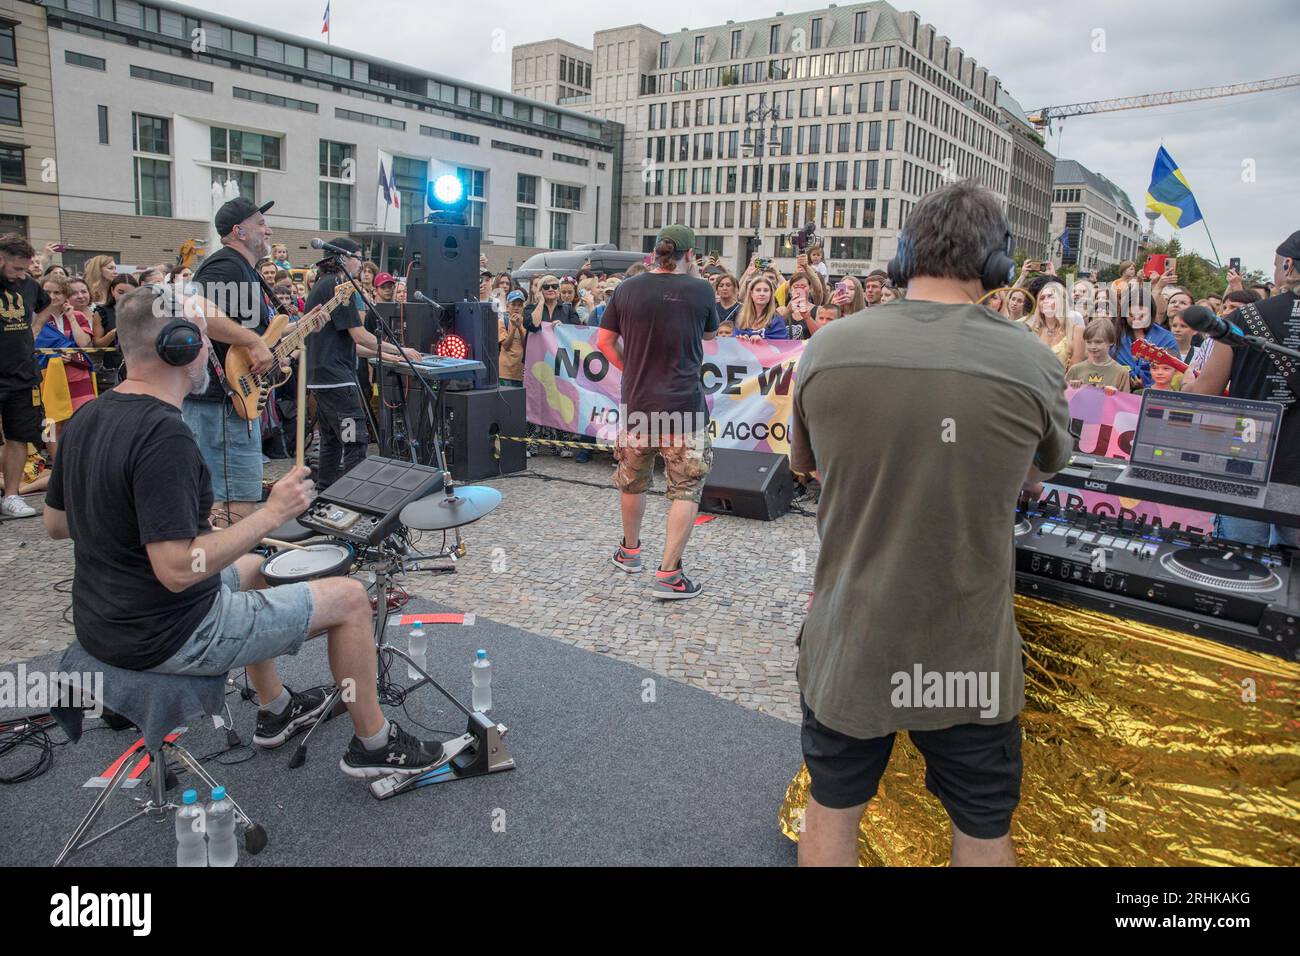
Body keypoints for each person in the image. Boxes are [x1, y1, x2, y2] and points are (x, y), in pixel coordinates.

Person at [42, 286, 444, 776]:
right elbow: (175, 570)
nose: (212, 350)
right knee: (350, 598)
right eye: (205, 337)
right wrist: (270, 514)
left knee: (256, 565)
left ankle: (275, 709)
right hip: (170, 632)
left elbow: (57, 523)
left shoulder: (88, 417)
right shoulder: (165, 434)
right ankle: (375, 746)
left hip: (102, 622)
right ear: (180, 346)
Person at [788, 180, 1071, 868]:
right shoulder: (1031, 360)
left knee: (831, 811)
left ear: (903, 254)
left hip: (853, 639)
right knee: (981, 826)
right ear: (999, 266)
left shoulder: (827, 349)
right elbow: (1041, 470)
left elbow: (811, 466)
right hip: (967, 649)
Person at [596, 225, 718, 599]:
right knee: (685, 487)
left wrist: (629, 368)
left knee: (633, 480)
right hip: (684, 407)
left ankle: (630, 552)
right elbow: (710, 336)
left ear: (654, 253)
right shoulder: (701, 290)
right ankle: (669, 574)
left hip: (639, 404)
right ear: (689, 254)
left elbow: (603, 342)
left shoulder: (627, 288)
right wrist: (694, 275)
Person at [1187, 229, 1300, 547]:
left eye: (1276, 265)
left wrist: (1187, 385)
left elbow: (1205, 393)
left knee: (1237, 567)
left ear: (1288, 265)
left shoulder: (1243, 318)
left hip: (1244, 466)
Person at [185, 197, 278, 525]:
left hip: (233, 399)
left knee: (235, 499)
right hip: (219, 403)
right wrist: (253, 341)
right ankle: (223, 573)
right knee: (231, 502)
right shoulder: (225, 265)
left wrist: (277, 348)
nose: (268, 229)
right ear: (238, 231)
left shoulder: (245, 270)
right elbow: (196, 313)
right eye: (260, 223)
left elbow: (249, 332)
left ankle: (223, 571)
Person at [305, 237, 420, 487]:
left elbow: (347, 344)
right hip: (337, 382)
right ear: (344, 258)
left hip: (322, 380)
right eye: (358, 256)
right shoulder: (339, 286)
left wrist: (390, 356)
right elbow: (360, 335)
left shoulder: (321, 284)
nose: (360, 263)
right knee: (355, 439)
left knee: (332, 440)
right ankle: (352, 497)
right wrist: (400, 347)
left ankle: (325, 495)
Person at [0, 234, 56, 517]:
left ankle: (11, 496)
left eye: (25, 269)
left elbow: (46, 305)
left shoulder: (29, 285)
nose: (21, 274)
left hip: (22, 372)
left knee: (18, 435)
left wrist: (34, 330)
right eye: (15, 269)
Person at [35, 274, 97, 453]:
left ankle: (76, 465)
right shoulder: (36, 317)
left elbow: (84, 343)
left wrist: (71, 318)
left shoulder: (78, 315)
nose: (53, 297)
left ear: (65, 295)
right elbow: (30, 344)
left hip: (78, 375)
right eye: (47, 292)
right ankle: (57, 469)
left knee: (80, 423)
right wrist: (52, 357)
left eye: (58, 292)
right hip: (49, 376)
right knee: (52, 424)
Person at [1111, 281, 1177, 389]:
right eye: (1131, 315)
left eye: (1142, 315)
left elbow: (1174, 375)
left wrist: (1147, 384)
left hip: (1153, 398)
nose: (1136, 319)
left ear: (1151, 314)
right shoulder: (1114, 335)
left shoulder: (1166, 339)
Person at [1021, 277, 1083, 370]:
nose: (1045, 301)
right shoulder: (1030, 329)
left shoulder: (1077, 331)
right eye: (1042, 298)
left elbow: (1075, 370)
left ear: (1062, 300)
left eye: (1050, 296)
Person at [1066, 318, 1130, 393]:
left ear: (1111, 341)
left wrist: (1116, 395)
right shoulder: (1075, 370)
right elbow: (1061, 397)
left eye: (1098, 342)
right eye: (1089, 342)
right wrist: (1071, 388)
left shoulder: (1121, 373)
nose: (1093, 346)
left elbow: (1124, 402)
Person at [735, 276, 788, 340]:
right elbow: (734, 340)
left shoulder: (776, 319)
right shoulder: (742, 317)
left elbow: (782, 344)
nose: (762, 294)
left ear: (771, 294)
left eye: (766, 290)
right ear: (751, 293)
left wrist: (763, 340)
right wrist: (741, 340)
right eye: (758, 290)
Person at [498, 290, 527, 388]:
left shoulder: (526, 323)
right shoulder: (502, 322)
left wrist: (519, 327)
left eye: (519, 305)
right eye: (513, 304)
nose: (516, 308)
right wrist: (514, 327)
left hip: (521, 372)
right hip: (505, 372)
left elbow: (526, 345)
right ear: (507, 306)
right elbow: (505, 345)